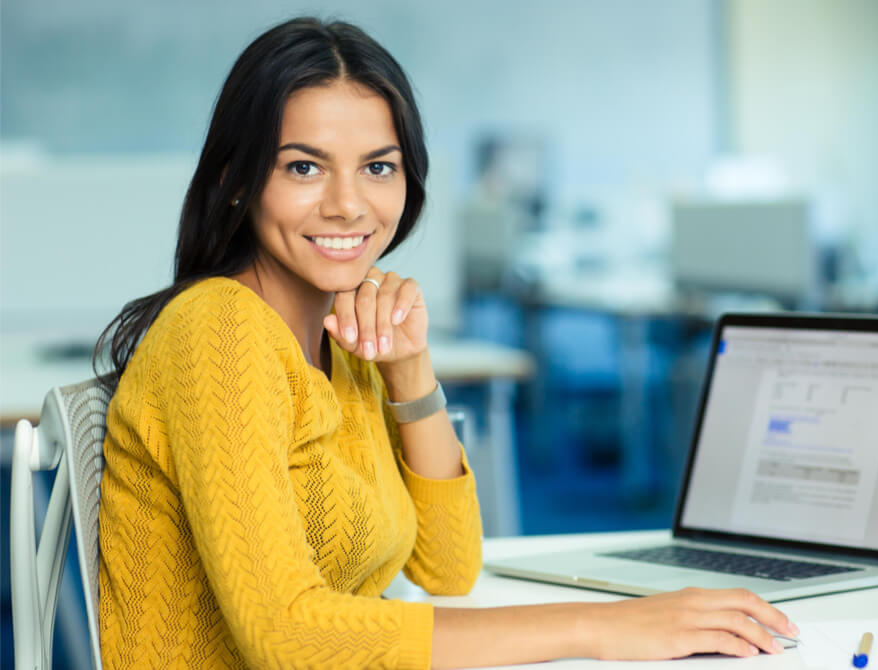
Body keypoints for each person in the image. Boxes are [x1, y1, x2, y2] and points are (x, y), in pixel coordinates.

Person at [94, 17, 799, 669]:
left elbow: (448, 567)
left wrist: (409, 371)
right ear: (238, 183)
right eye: (303, 167)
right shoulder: (219, 329)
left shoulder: (338, 342)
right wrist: (601, 626)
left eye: (379, 167)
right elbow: (288, 634)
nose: (348, 204)